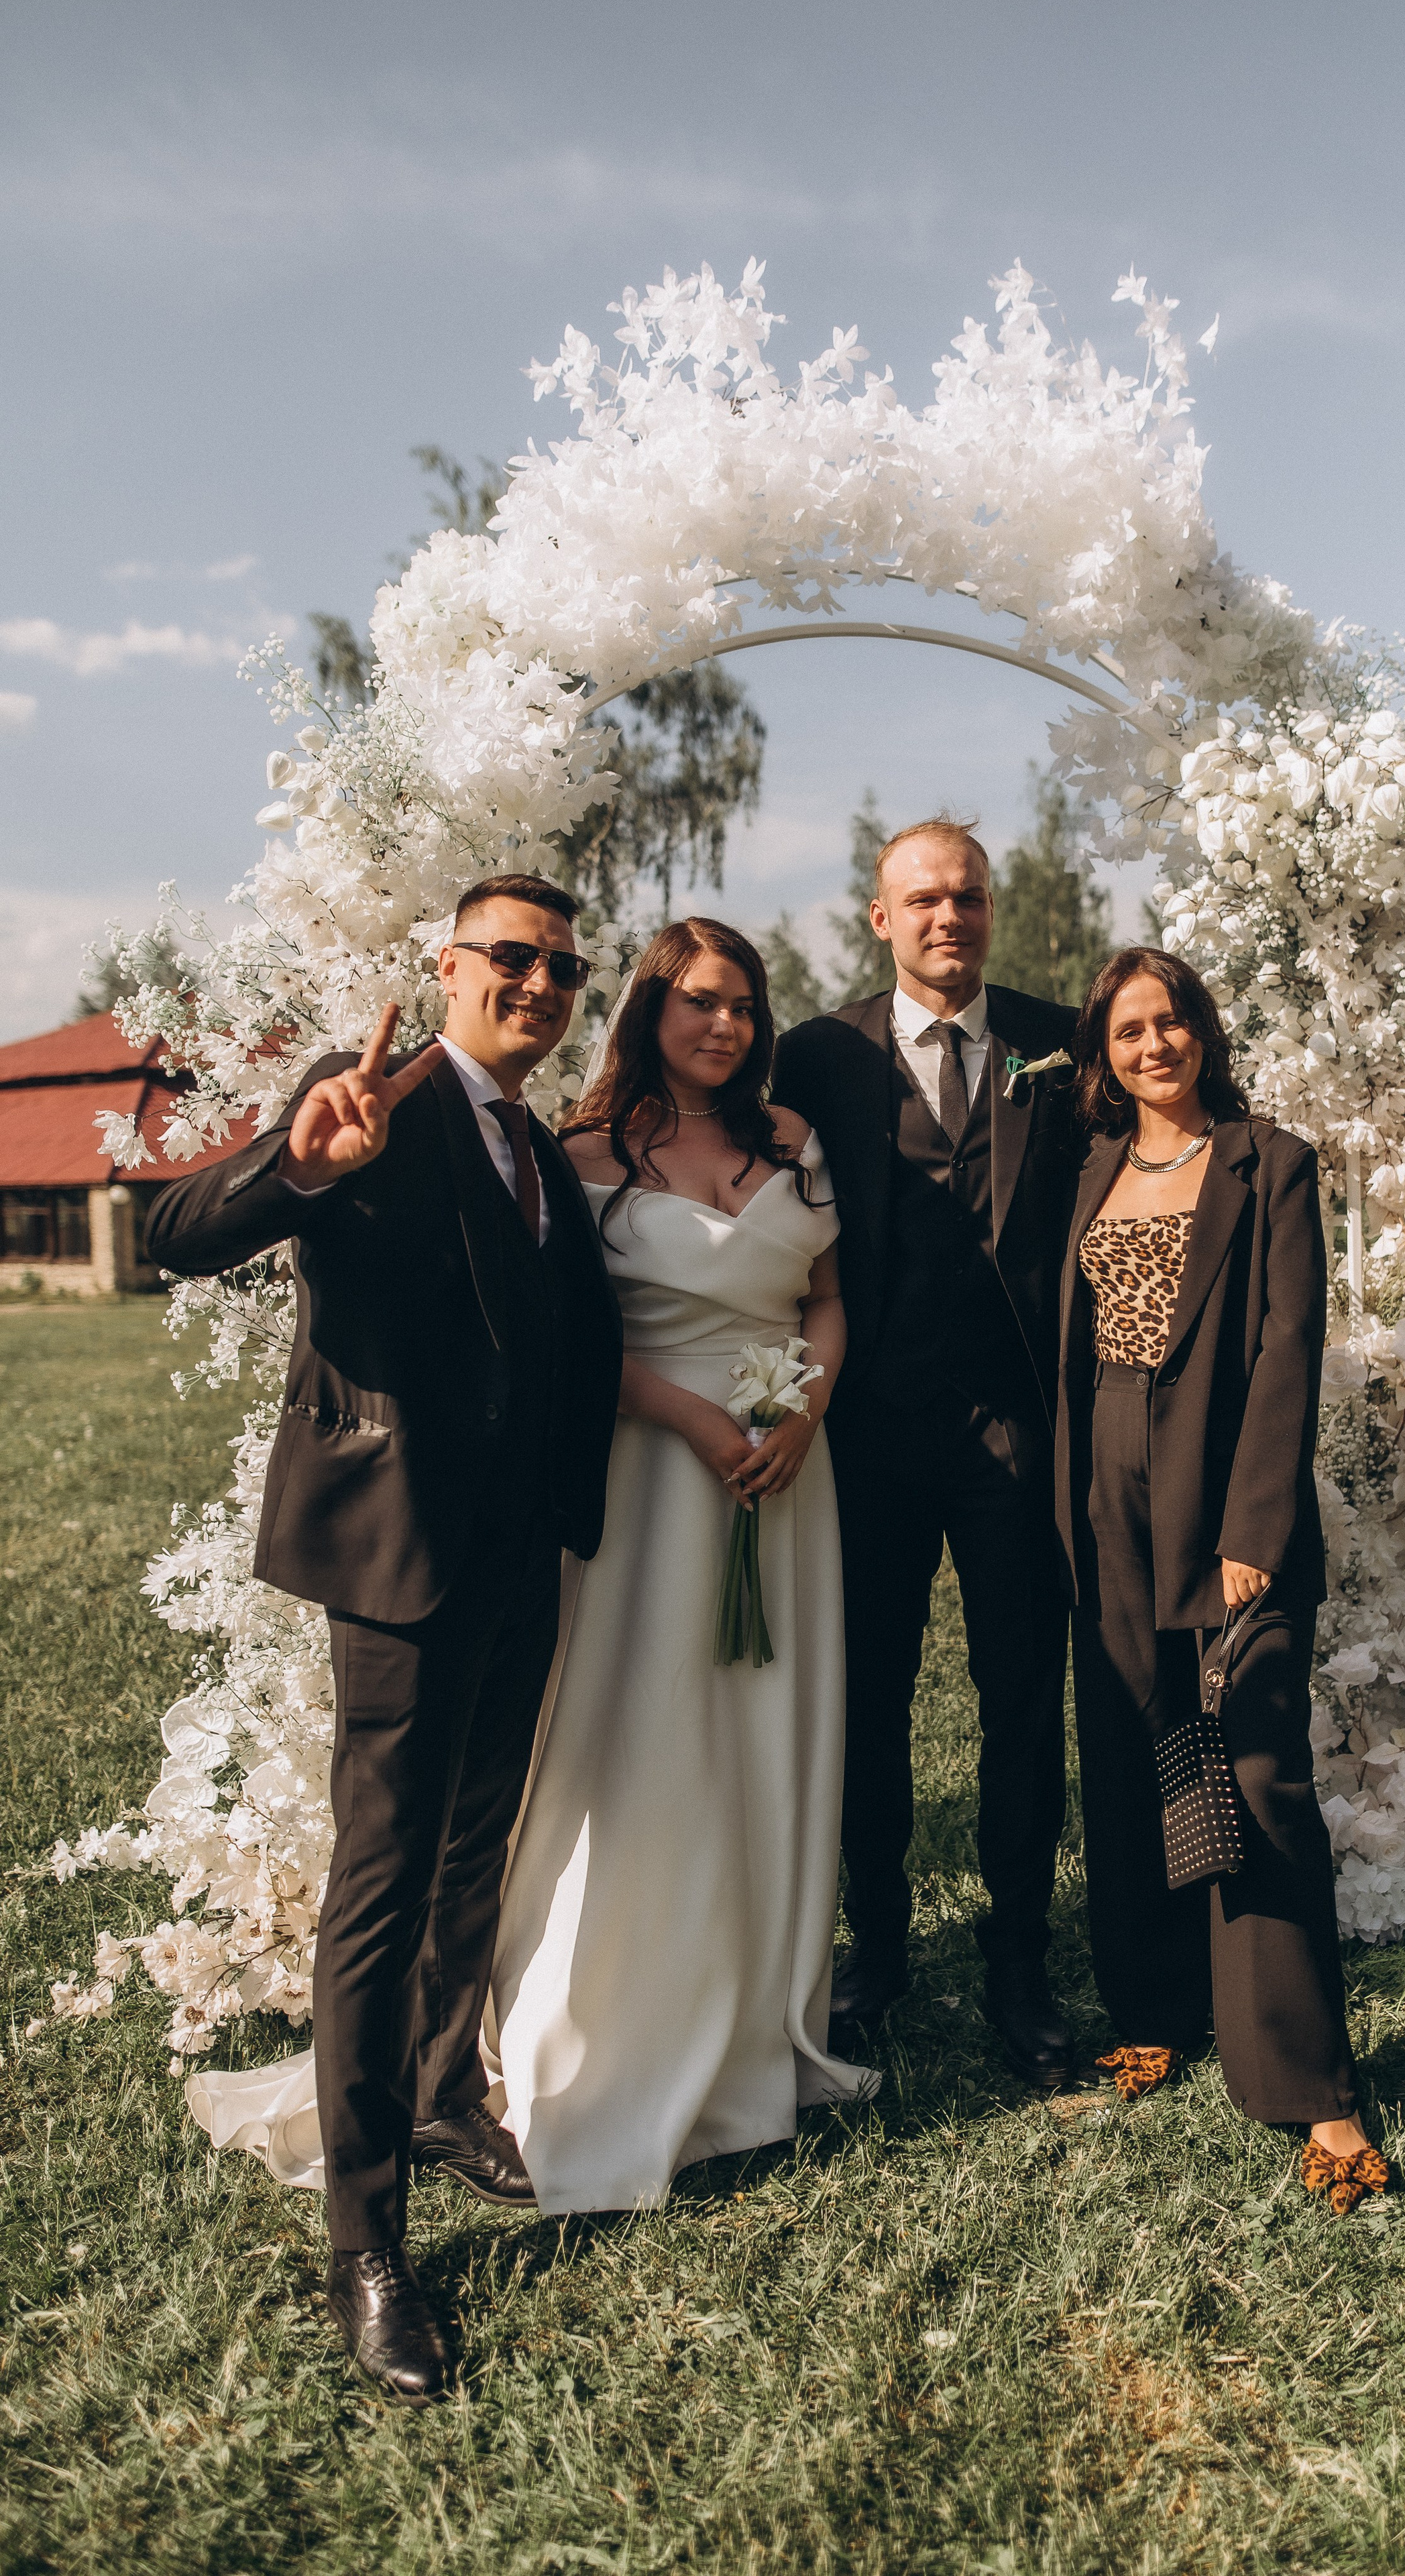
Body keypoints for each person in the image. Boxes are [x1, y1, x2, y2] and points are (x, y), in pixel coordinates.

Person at [143, 875, 624, 2400]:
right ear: (449, 965)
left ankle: (438, 2090)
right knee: (383, 1878)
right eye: (512, 957)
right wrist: (295, 1167)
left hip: (522, 1553)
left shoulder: (538, 1148)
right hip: (403, 1552)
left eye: (563, 968)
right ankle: (369, 2243)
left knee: (476, 1843)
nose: (538, 984)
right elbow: (173, 1229)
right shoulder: (373, 1104)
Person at [488, 918, 874, 2204]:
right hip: (653, 1472)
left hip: (786, 1471)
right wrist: (694, 1419)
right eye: (701, 1001)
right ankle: (609, 2016)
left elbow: (825, 1298)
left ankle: (761, 2011)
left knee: (768, 1729)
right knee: (647, 1728)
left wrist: (803, 1409)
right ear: (650, 1010)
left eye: (745, 1006)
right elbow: (568, 1339)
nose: (726, 1025)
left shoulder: (792, 1141)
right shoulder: (583, 1155)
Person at [1053, 946, 1388, 2210]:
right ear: (1105, 1053)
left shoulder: (1270, 1162)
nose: (1155, 1046)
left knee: (1255, 1766)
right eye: (1129, 1030)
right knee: (1134, 1746)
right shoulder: (1092, 1167)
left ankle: (1314, 2088)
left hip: (1224, 1486)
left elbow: (1289, 1342)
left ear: (1203, 1031)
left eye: (1172, 1021)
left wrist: (1254, 1527)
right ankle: (1155, 2010)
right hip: (1105, 1493)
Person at [773, 818, 1082, 2089]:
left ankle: (1020, 1962)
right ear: (881, 917)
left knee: (1023, 1702)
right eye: (925, 900)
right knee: (867, 1703)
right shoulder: (817, 1054)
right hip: (869, 1434)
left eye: (969, 896)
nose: (950, 916)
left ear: (991, 909)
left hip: (1020, 1427)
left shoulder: (1063, 1042)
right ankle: (880, 1947)